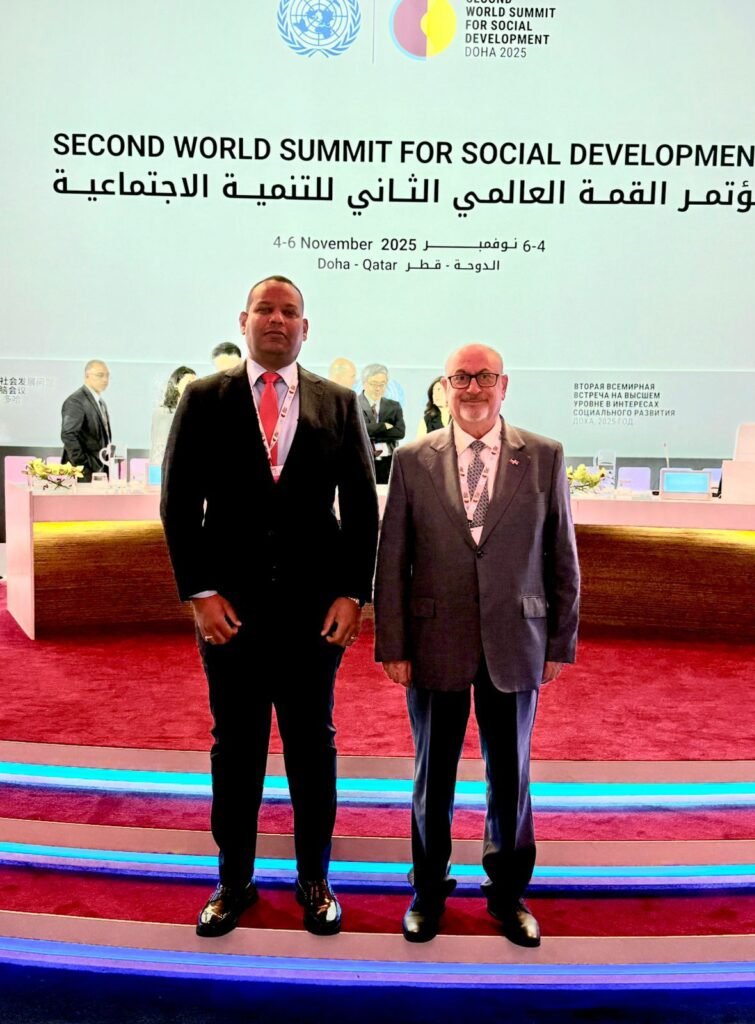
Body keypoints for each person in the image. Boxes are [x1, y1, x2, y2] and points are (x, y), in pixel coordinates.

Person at [161, 275, 379, 939]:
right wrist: (200, 594)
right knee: (236, 747)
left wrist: (353, 593)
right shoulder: (204, 398)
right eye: (265, 309)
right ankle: (234, 880)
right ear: (245, 320)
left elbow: (361, 508)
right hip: (230, 613)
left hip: (316, 615)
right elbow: (179, 503)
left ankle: (315, 878)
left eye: (289, 311)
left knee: (314, 746)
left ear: (305, 328)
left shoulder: (339, 402)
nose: (276, 319)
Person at [374, 344, 580, 946]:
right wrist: (393, 643)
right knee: (432, 776)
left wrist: (559, 642)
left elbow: (561, 555)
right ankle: (427, 891)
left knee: (510, 778)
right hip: (433, 640)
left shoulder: (543, 456)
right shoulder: (412, 459)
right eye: (460, 378)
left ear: (503, 385)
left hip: (517, 639)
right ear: (444, 387)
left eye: (484, 377)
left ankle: (508, 895)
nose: (472, 388)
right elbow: (392, 560)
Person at [60, 360, 112, 481]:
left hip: (99, 471)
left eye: (107, 376)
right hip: (81, 475)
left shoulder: (101, 402)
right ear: (87, 376)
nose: (105, 379)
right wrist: (83, 466)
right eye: (100, 375)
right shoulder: (76, 401)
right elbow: (68, 436)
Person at [358, 363, 406, 484]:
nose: (378, 388)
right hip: (362, 461)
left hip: (388, 462)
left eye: (382, 384)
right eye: (374, 384)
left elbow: (400, 432)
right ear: (364, 383)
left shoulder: (394, 406)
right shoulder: (354, 404)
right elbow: (357, 431)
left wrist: (371, 432)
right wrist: (383, 426)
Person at [149, 366, 197, 466]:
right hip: (167, 467)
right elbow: (159, 448)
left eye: (196, 383)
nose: (194, 387)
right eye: (189, 383)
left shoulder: (197, 412)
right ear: (176, 385)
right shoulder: (163, 413)